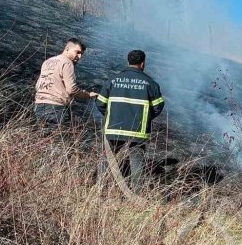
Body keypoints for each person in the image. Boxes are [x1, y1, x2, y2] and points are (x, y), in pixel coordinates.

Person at [97, 50, 164, 189]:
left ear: (128, 62)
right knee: (137, 160)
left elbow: (100, 103)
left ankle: (101, 189)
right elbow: (158, 107)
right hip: (138, 131)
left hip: (114, 128)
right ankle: (136, 193)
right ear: (143, 64)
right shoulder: (150, 83)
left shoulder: (113, 80)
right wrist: (144, 118)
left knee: (107, 158)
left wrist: (112, 116)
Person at [34, 38, 98, 128]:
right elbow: (71, 89)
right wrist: (88, 95)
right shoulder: (67, 63)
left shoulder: (47, 62)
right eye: (77, 52)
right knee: (57, 139)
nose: (79, 57)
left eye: (81, 54)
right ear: (67, 49)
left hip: (39, 106)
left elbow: (37, 86)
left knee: (43, 138)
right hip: (56, 107)